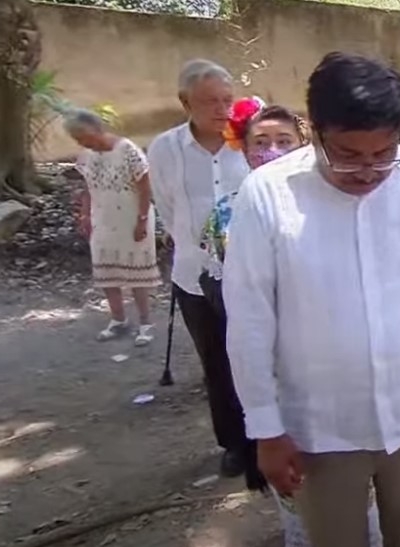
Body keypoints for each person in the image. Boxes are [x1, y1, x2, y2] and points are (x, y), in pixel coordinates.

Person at [224, 52, 400, 547]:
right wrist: (266, 429)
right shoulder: (267, 196)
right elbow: (249, 320)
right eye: (348, 154)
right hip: (320, 428)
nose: (367, 171)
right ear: (314, 131)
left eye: (384, 152)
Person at [200, 98, 384, 547]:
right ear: (243, 150)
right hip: (274, 359)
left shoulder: (334, 201)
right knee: (290, 460)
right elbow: (234, 300)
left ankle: (369, 534)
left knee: (352, 457)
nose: (272, 150)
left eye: (284, 141)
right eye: (261, 142)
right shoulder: (229, 212)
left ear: (306, 145)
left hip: (337, 357)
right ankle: (299, 537)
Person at [147, 59, 252, 478]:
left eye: (228, 99)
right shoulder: (164, 149)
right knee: (217, 361)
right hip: (194, 276)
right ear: (184, 101)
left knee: (255, 356)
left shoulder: (247, 143)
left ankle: (267, 436)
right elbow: (167, 206)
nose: (221, 109)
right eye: (210, 101)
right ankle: (234, 444)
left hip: (251, 276)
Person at [66, 107, 161, 345]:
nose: (83, 142)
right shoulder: (87, 156)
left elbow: (145, 186)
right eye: (78, 139)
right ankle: (118, 319)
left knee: (136, 272)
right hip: (103, 217)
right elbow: (88, 187)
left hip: (131, 216)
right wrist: (85, 215)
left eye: (85, 136)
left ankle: (145, 322)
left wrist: (141, 220)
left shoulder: (127, 150)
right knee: (106, 271)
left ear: (97, 129)